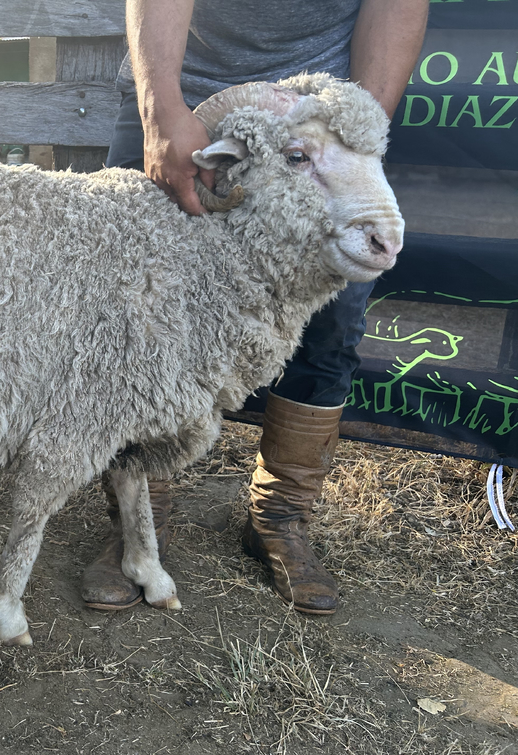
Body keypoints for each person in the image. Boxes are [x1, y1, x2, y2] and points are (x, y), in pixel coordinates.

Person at [81, 0, 429, 615]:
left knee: (329, 325)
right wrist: (161, 112)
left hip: (319, 116)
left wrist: (352, 131)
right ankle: (139, 520)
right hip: (188, 94)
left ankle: (280, 518)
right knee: (138, 319)